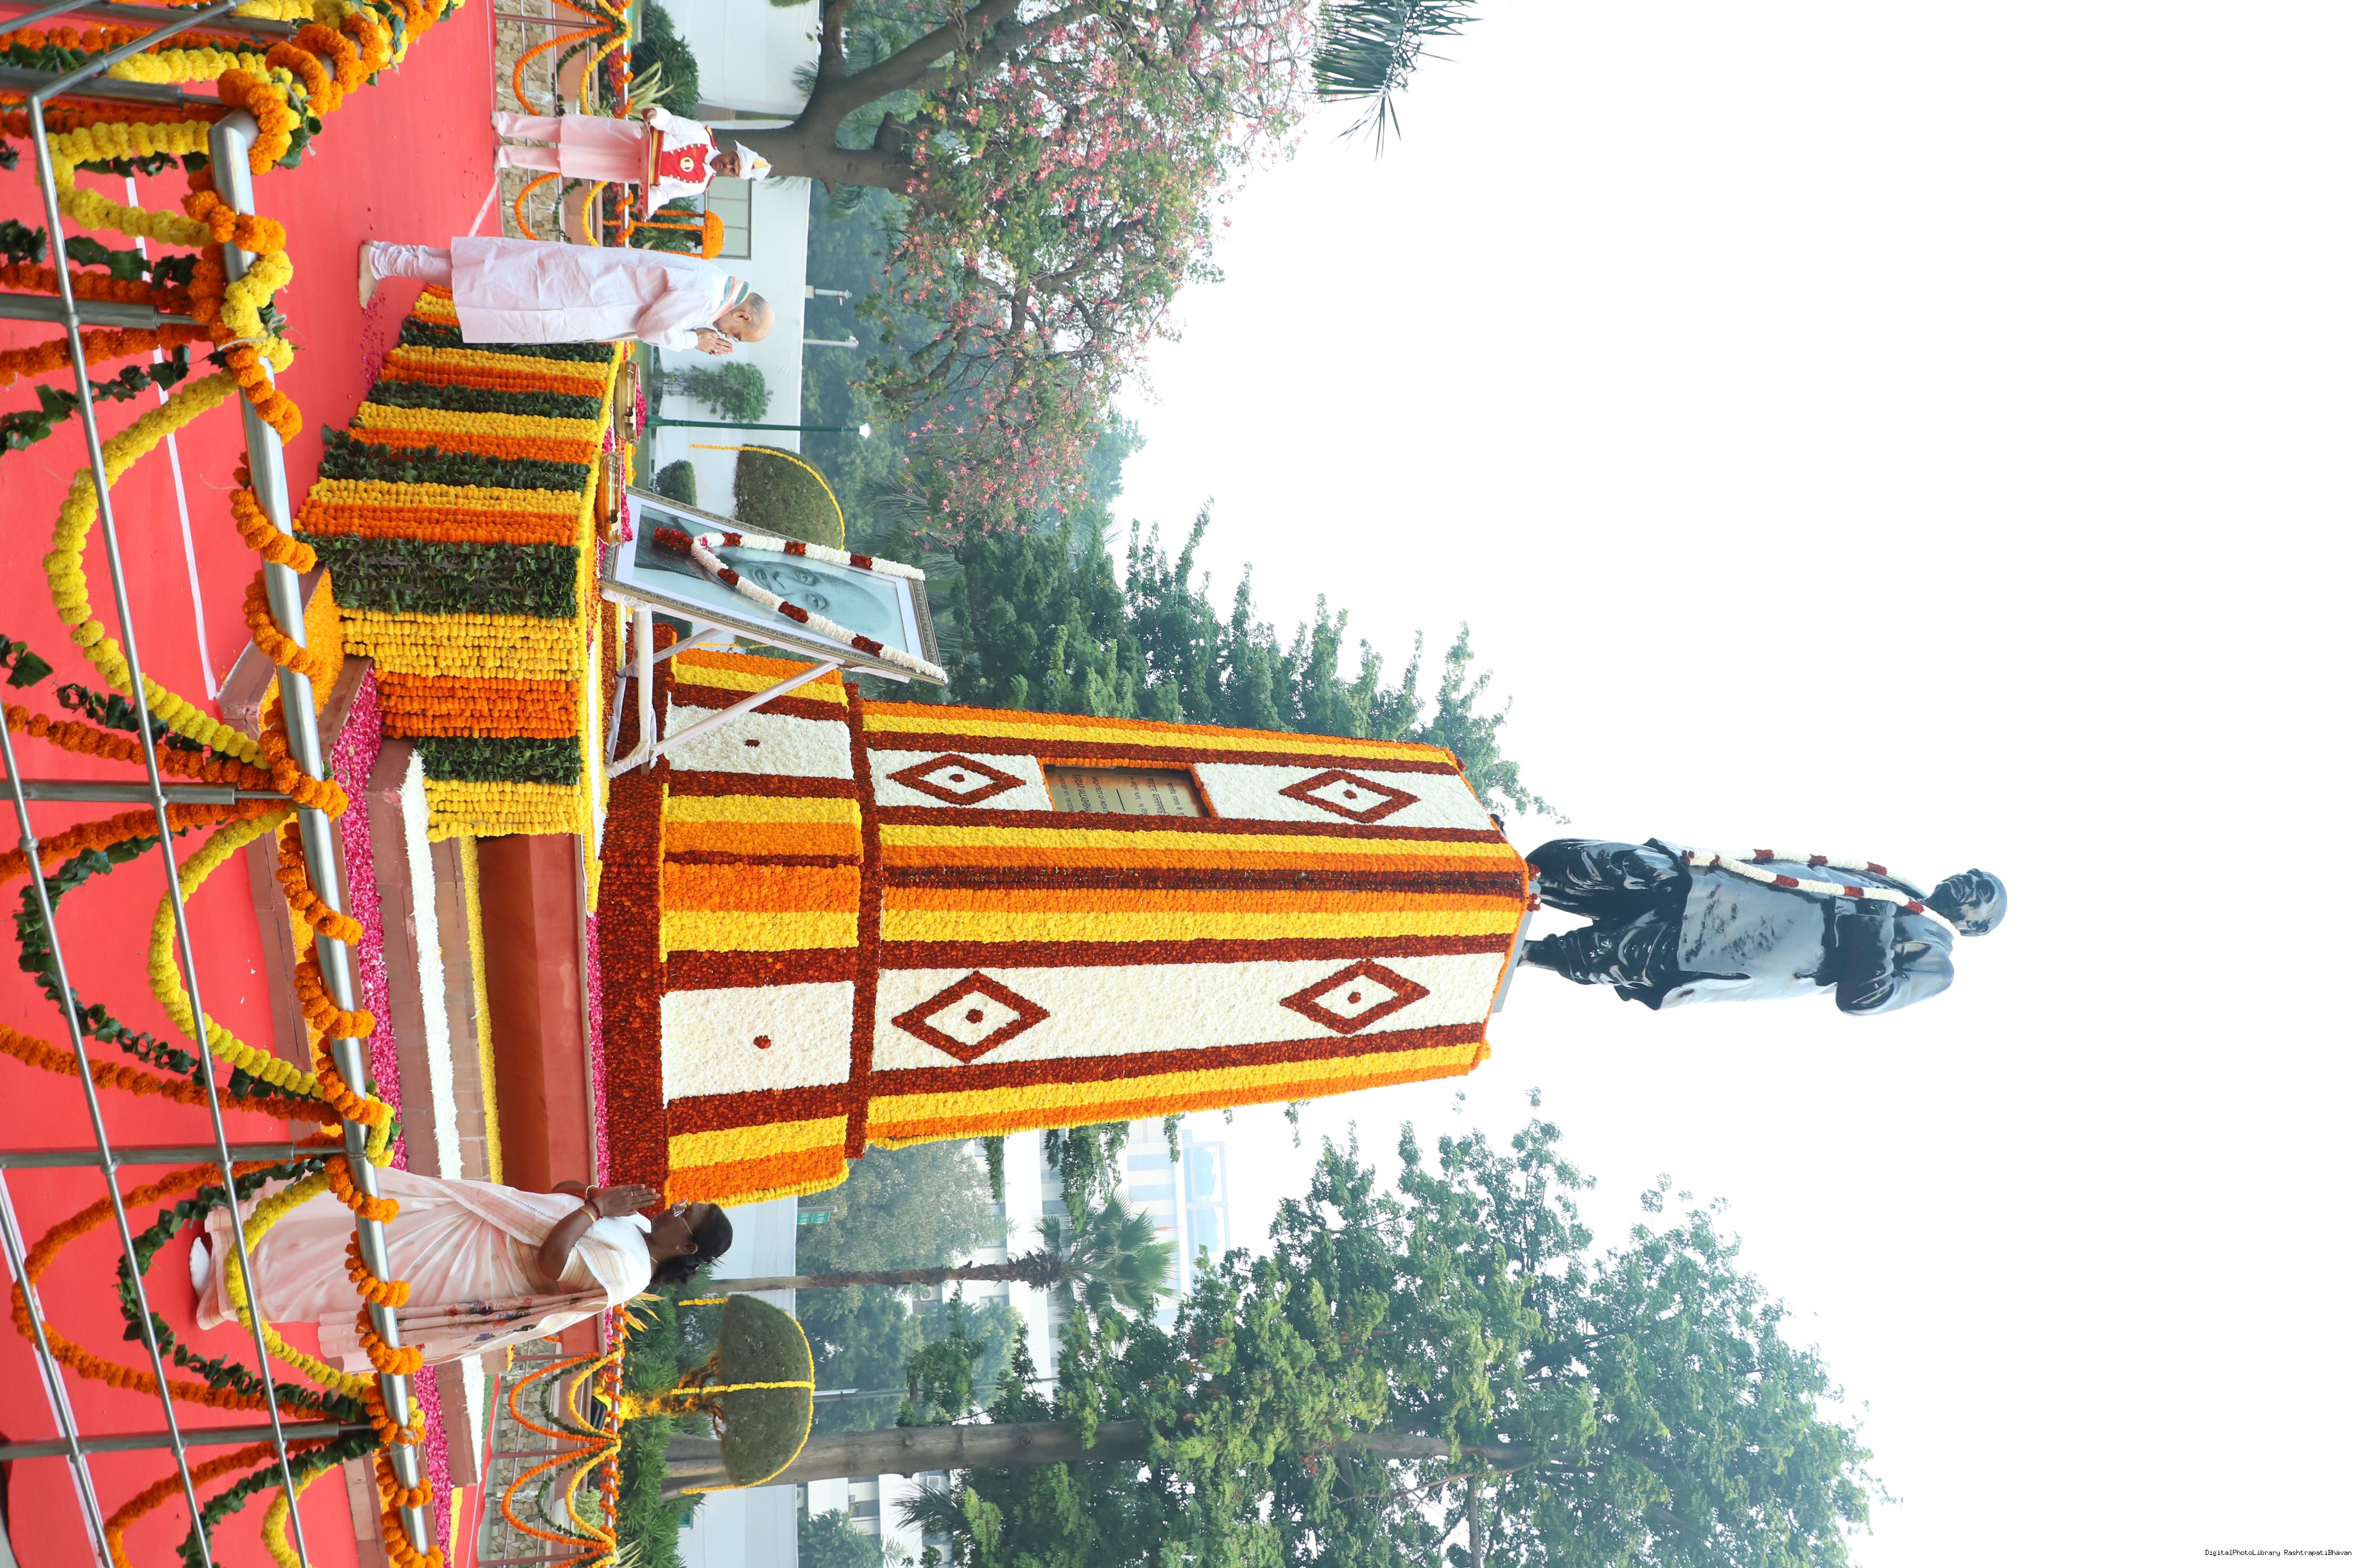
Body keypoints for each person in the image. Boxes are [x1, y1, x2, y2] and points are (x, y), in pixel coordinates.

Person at [192, 1175, 730, 1369]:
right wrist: (594, 1196)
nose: (677, 1205)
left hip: (478, 1267)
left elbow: (554, 1263)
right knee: (359, 1214)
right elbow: (561, 1194)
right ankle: (236, 1237)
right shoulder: (635, 1224)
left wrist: (594, 1210)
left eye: (688, 1212)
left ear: (685, 1245)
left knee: (350, 1270)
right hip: (477, 1221)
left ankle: (231, 1293)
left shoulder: (630, 1274)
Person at [1519, 838, 2006, 1016]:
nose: (1969, 881)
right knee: (1590, 862)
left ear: (1976, 928)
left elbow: (1866, 998)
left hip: (1733, 946)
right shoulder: (1894, 884)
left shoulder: (1936, 961)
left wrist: (1876, 925)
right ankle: (1508, 873)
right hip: (1711, 884)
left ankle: (1512, 949)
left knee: (1606, 952)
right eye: (1974, 874)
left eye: (1982, 892)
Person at [358, 237, 773, 355]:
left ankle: (390, 255)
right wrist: (693, 341)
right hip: (578, 294)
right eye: (736, 335)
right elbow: (653, 329)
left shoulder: (714, 278)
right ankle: (382, 260)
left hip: (584, 280)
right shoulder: (707, 298)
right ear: (743, 316)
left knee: (483, 267)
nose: (727, 337)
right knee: (482, 280)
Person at [492, 106, 772, 206]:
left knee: (565, 161)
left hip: (629, 169)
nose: (728, 166)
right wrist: (657, 115)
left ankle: (508, 156)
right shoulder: (702, 135)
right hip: (630, 138)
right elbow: (672, 123)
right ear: (732, 152)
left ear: (732, 176)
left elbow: (665, 193)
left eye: (733, 170)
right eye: (733, 161)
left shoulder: (700, 185)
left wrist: (648, 205)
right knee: (566, 130)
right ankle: (506, 123)